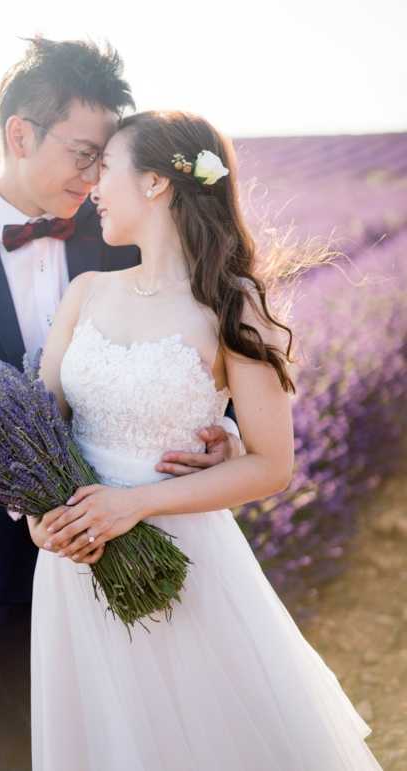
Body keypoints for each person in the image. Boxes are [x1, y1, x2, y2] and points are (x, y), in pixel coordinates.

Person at [0, 39, 242, 771]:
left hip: (157, 525)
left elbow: (193, 337)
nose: (96, 173)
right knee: (29, 742)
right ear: (21, 134)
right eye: (83, 152)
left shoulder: (120, 227)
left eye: (105, 156)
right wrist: (30, 495)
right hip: (18, 557)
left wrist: (223, 429)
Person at [27, 110, 383, 771]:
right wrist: (38, 522)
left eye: (106, 168)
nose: (94, 186)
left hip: (181, 562)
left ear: (157, 182)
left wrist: (134, 504)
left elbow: (273, 465)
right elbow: (36, 430)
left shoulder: (229, 302)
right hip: (74, 566)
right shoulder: (84, 294)